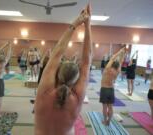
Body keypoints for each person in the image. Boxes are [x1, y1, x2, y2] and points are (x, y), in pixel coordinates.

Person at [34, 4, 92, 135]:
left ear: (58, 73)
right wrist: (87, 25)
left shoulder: (45, 91)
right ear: (75, 80)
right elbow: (87, 60)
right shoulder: (76, 98)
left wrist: (75, 24)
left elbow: (57, 53)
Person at [100, 47, 126, 126]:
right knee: (110, 107)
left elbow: (112, 58)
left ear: (111, 64)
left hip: (104, 89)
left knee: (105, 107)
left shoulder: (107, 69)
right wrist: (122, 53)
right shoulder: (118, 71)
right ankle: (109, 121)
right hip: (111, 89)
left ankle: (105, 121)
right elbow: (121, 61)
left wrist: (119, 51)